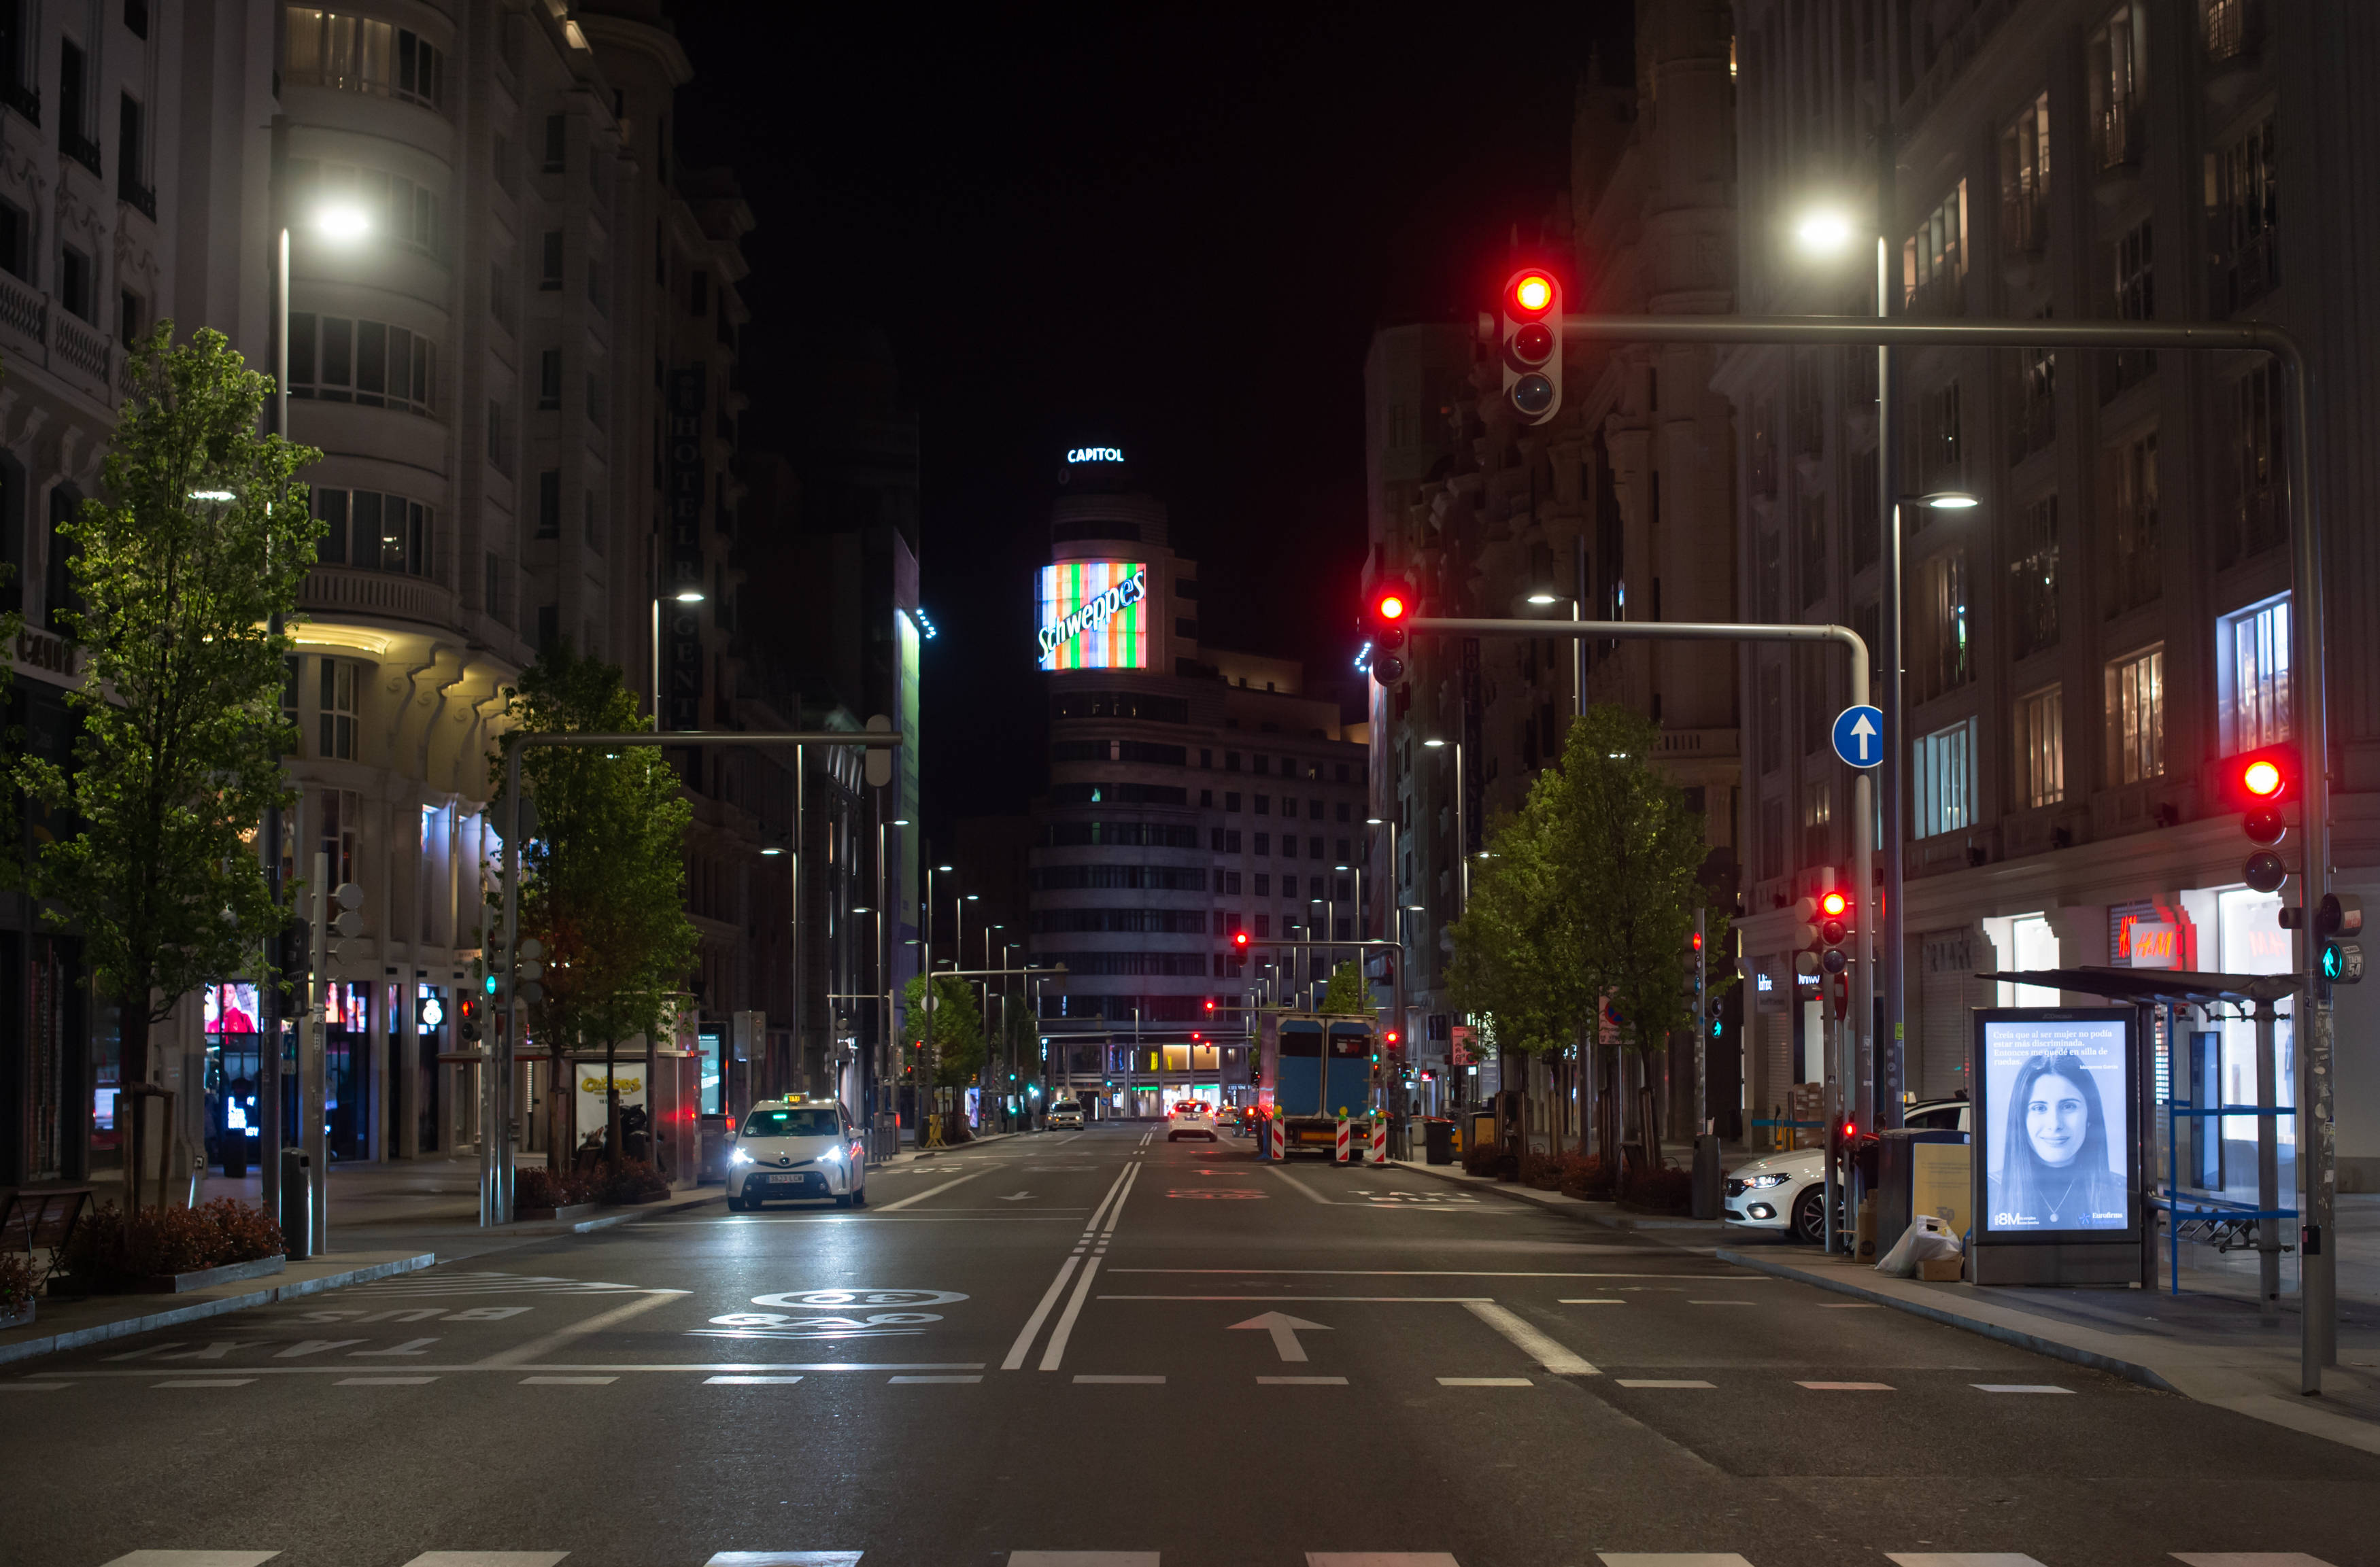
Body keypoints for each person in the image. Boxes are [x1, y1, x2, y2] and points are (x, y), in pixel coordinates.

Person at [1989, 1052, 2126, 1230]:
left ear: (2090, 1116)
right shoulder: (1991, 1192)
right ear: (2021, 1120)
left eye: (2068, 1106)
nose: (2055, 1124)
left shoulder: (2121, 1194)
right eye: (2039, 1108)